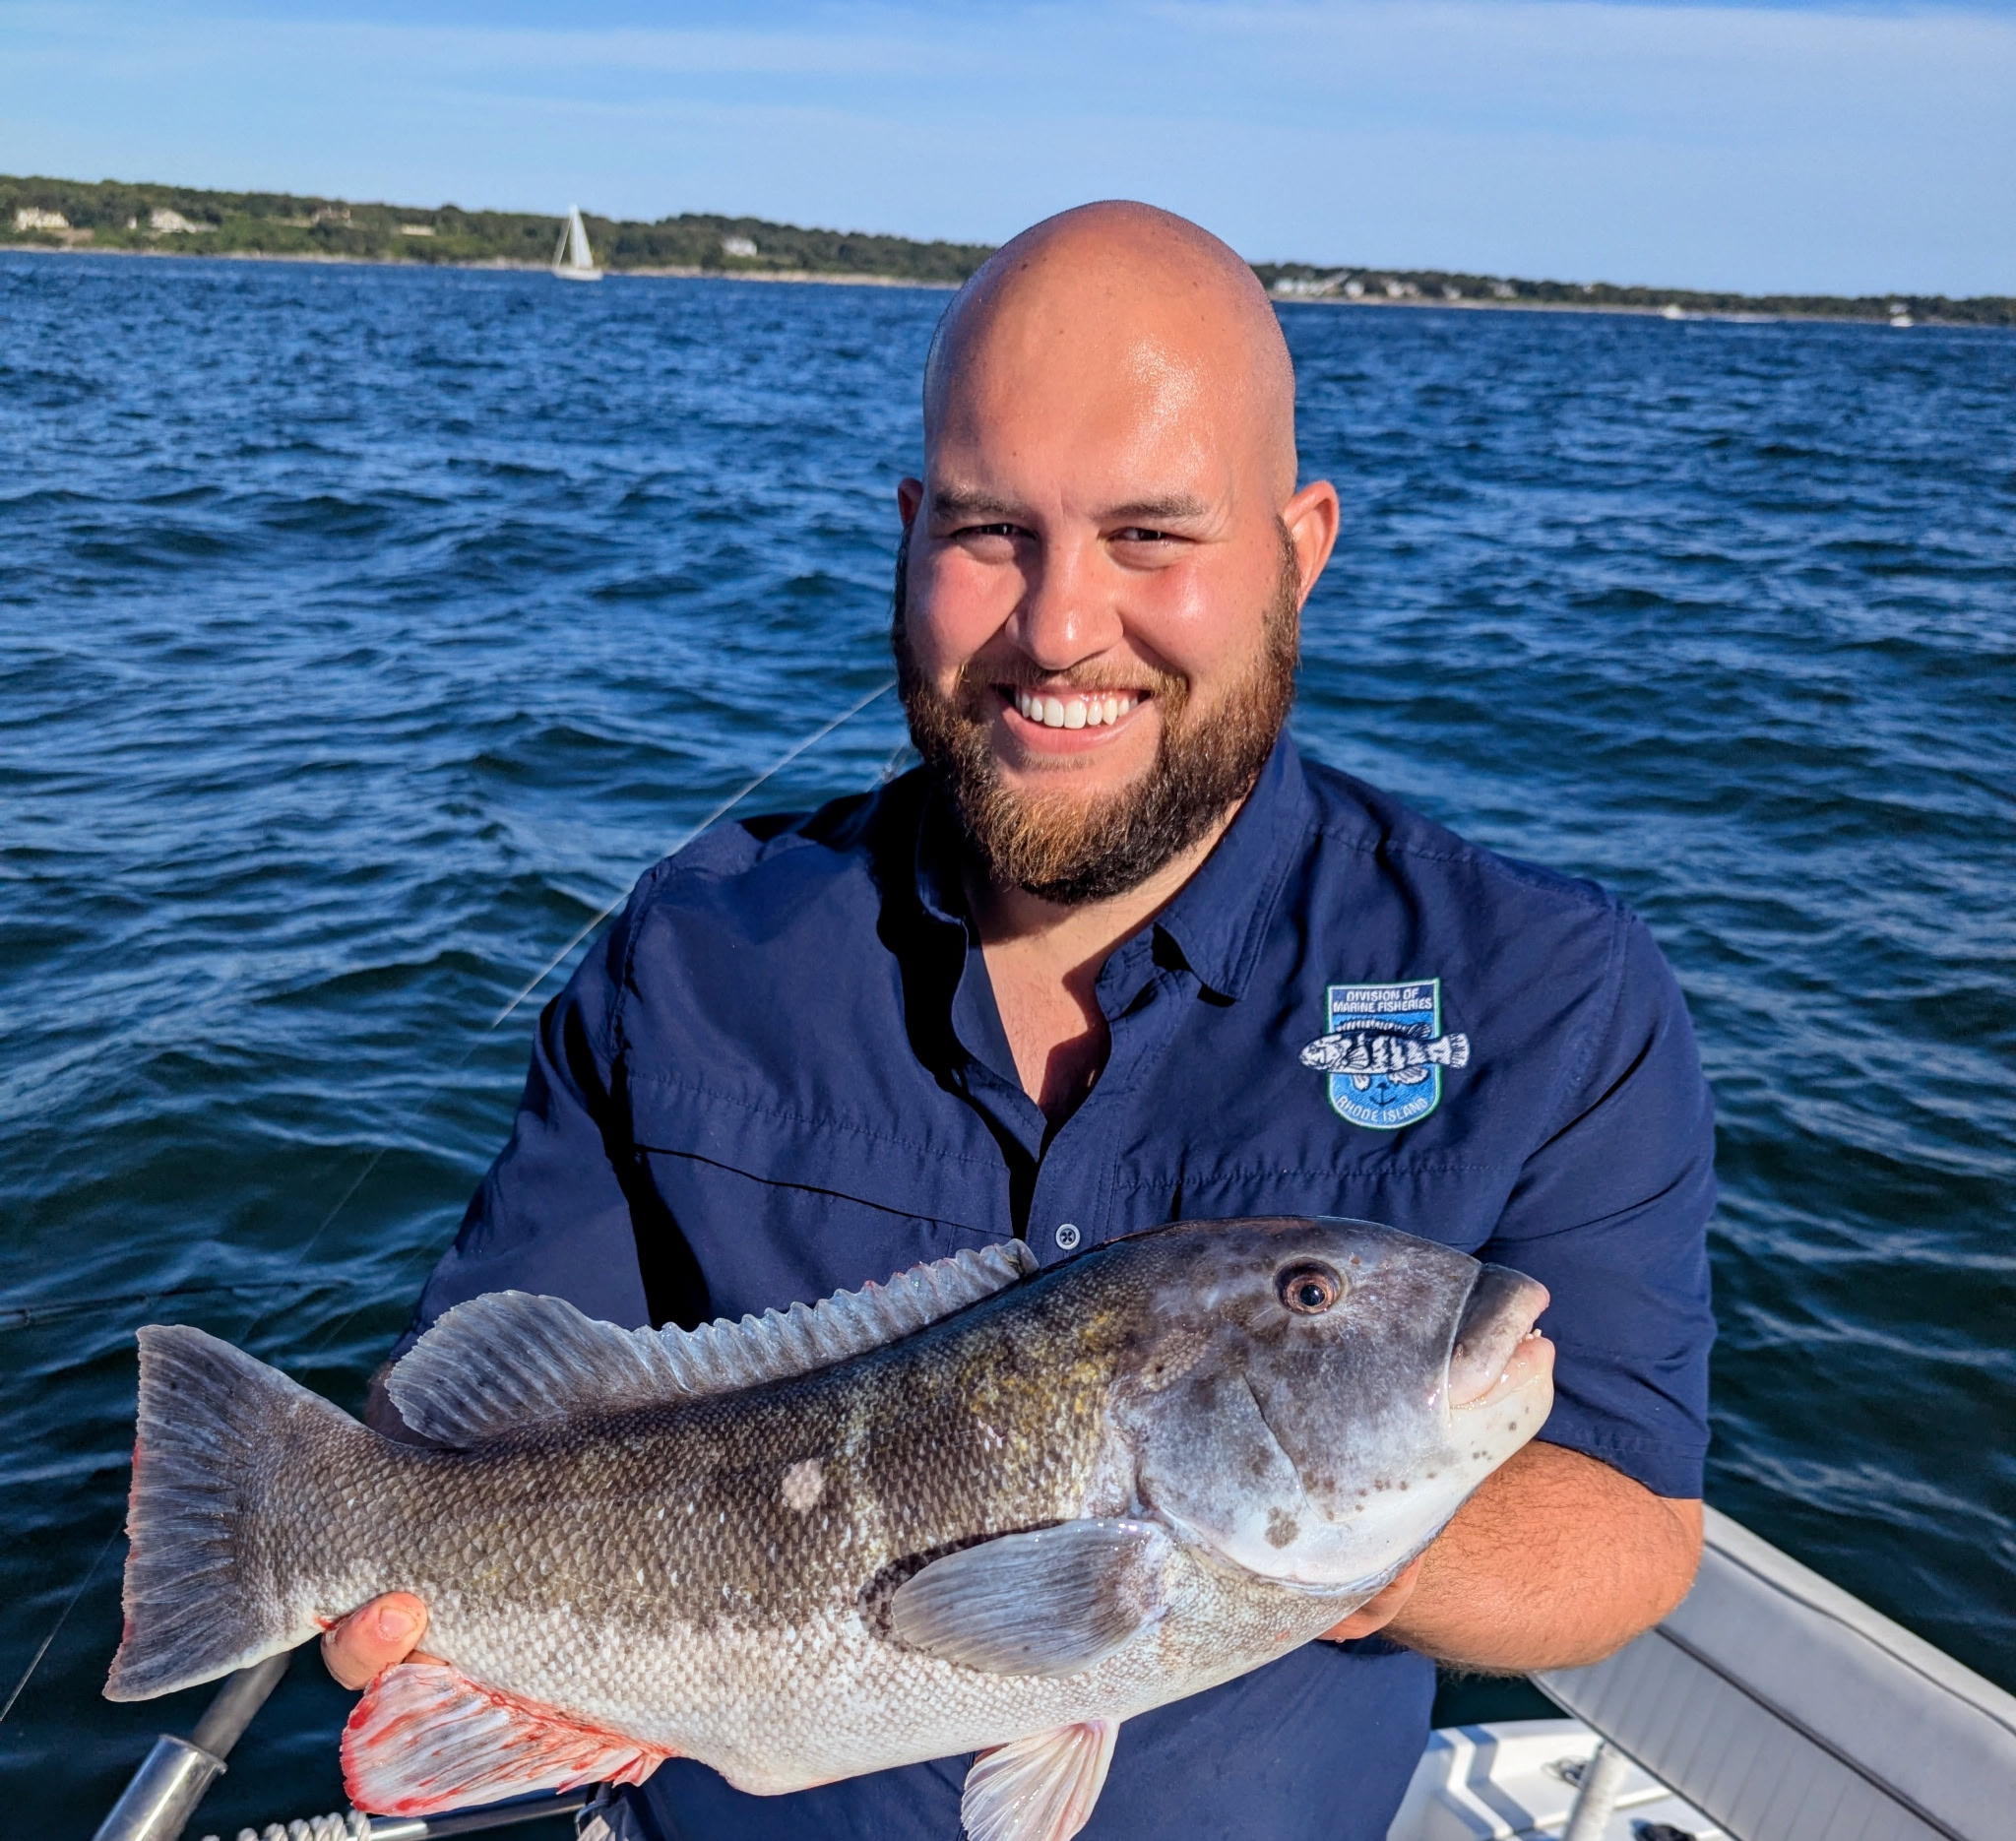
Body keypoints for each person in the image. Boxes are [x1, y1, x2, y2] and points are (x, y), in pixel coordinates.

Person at [323, 201, 1715, 1841]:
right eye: (992, 531)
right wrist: (394, 1582)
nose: (1058, 630)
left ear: (1299, 548)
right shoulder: (689, 952)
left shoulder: (1551, 993)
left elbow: (1631, 1520)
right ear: (910, 533)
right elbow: (473, 1412)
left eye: (1151, 536)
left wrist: (1288, 1514)